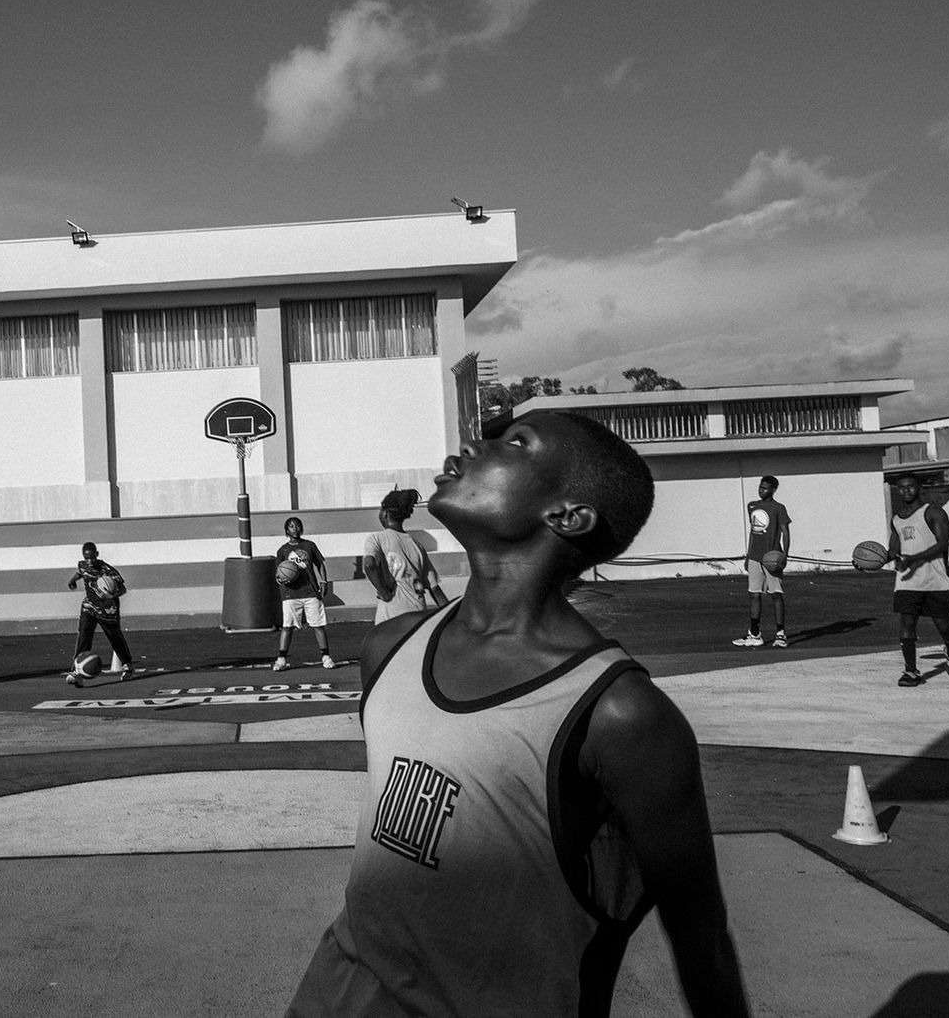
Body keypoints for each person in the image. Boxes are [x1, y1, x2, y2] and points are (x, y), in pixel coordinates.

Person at [287, 411, 750, 1018]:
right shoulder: (388, 648)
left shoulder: (619, 712)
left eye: (515, 443)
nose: (472, 445)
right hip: (333, 995)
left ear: (567, 514)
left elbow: (699, 932)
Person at [883, 474, 949, 687]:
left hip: (935, 580)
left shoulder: (933, 512)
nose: (906, 491)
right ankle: (911, 671)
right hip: (907, 581)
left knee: (944, 626)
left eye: (910, 487)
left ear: (919, 487)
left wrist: (914, 559)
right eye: (901, 488)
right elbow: (894, 549)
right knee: (907, 624)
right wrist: (872, 560)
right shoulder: (897, 519)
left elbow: (942, 544)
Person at [362, 487, 450, 624]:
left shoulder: (376, 539)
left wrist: (384, 592)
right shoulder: (417, 546)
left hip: (391, 621)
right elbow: (435, 588)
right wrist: (451, 617)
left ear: (385, 513)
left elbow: (369, 564)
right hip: (418, 618)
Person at [733, 475, 791, 648]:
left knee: (776, 594)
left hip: (772, 557)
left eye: (765, 488)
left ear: (773, 489)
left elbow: (785, 532)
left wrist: (784, 555)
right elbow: (753, 532)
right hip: (755, 557)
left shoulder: (779, 508)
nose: (761, 490)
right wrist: (748, 555)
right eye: (760, 487)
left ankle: (780, 634)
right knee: (754, 594)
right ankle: (754, 634)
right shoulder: (752, 506)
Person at [66, 541, 133, 685]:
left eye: (92, 557)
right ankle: (77, 670)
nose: (90, 561)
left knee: (114, 635)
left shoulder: (107, 570)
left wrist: (110, 596)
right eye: (87, 558)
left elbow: (123, 589)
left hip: (107, 608)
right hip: (89, 606)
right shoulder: (83, 565)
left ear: (97, 554)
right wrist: (72, 581)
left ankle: (127, 665)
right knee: (84, 635)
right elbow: (79, 573)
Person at [274, 516, 336, 671]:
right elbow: (278, 573)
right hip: (290, 593)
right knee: (287, 627)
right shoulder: (282, 550)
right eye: (292, 526)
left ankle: (326, 656)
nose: (295, 528)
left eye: (297, 526)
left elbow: (320, 564)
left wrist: (323, 581)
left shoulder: (309, 545)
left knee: (318, 625)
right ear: (286, 530)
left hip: (310, 591)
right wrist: (280, 578)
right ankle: (281, 659)